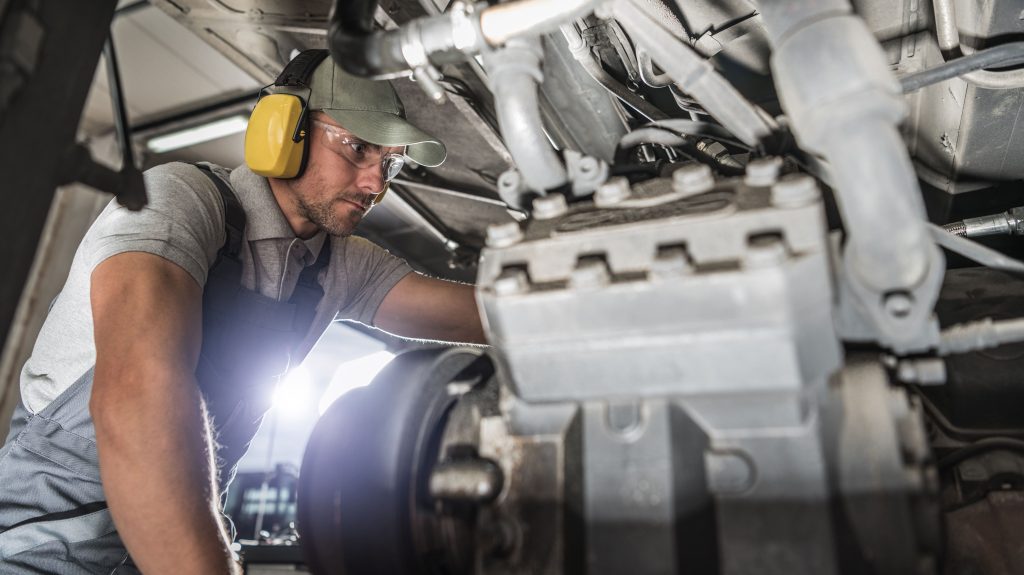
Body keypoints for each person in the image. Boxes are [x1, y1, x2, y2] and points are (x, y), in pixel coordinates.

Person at [0, 52, 485, 574]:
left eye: (389, 163)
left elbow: (485, 315)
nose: (375, 184)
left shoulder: (335, 264)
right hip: (44, 551)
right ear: (284, 129)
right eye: (359, 147)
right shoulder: (182, 199)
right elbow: (137, 395)